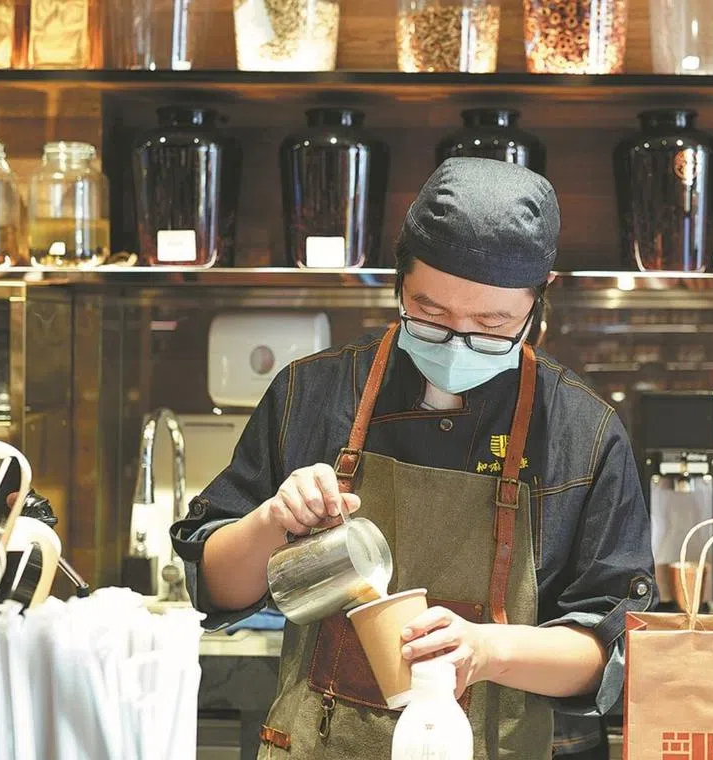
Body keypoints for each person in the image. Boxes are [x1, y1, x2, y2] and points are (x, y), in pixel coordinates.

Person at [172, 157, 656, 759]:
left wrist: (486, 651)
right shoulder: (313, 393)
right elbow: (216, 587)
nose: (457, 343)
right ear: (399, 281)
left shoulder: (583, 432)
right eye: (430, 315)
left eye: (492, 325)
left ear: (540, 299)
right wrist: (272, 522)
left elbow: (608, 651)